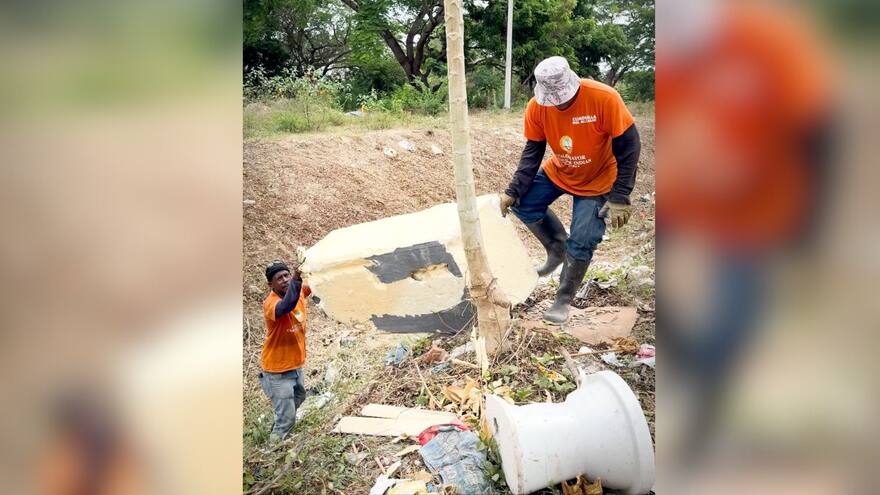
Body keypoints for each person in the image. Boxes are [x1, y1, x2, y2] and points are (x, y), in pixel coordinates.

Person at [500, 56, 641, 323]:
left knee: (584, 238)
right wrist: (513, 190)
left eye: (563, 97)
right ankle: (557, 248)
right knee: (523, 202)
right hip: (560, 171)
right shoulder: (537, 107)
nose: (559, 103)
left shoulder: (604, 98)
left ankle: (563, 298)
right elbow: (533, 151)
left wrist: (621, 194)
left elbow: (629, 147)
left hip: (599, 179)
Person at [260, 260, 311, 442]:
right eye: (279, 278)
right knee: (287, 418)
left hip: (295, 364)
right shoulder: (271, 303)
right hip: (277, 370)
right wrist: (296, 279)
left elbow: (313, 286)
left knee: (300, 396)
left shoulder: (298, 292)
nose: (285, 280)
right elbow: (286, 305)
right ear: (271, 284)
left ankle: (281, 421)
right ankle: (272, 448)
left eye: (286, 275)